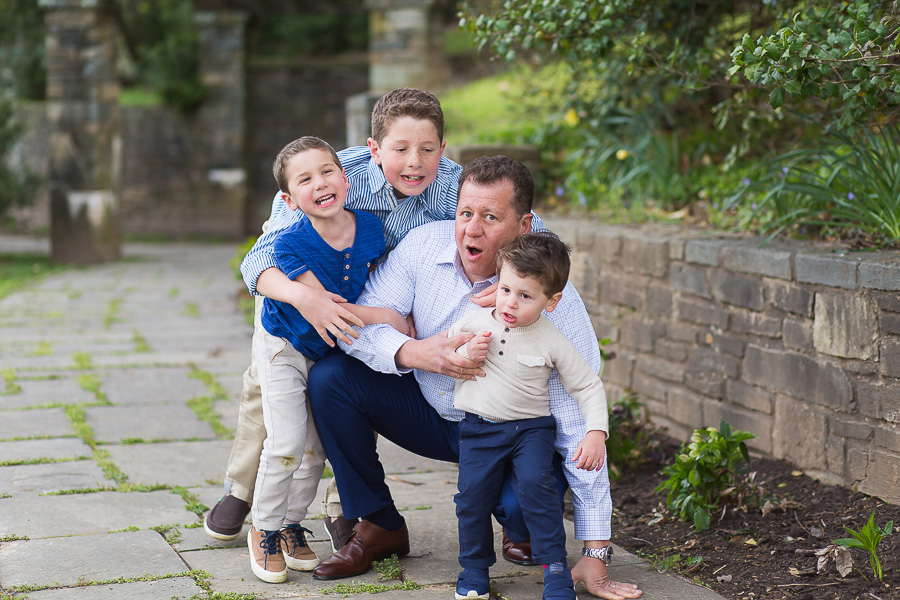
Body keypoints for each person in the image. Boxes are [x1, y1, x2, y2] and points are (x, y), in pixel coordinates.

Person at [307, 156, 642, 600]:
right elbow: (358, 326)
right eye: (466, 213)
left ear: (524, 225)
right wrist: (415, 352)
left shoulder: (553, 304)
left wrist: (597, 551)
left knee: (519, 507)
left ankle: (520, 525)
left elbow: (577, 411)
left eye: (490, 217)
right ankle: (379, 523)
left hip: (515, 432)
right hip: (432, 412)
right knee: (332, 379)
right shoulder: (422, 247)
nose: (472, 230)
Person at [204, 88, 464, 548]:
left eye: (427, 150)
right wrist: (310, 300)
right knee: (268, 387)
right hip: (295, 295)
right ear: (373, 149)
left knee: (351, 385)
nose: (414, 162)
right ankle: (243, 489)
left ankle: (341, 503)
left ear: (443, 150)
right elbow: (260, 261)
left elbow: (521, 223)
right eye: (400, 149)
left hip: (368, 310)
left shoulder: (452, 186)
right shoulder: (333, 178)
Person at [246, 136, 410, 584]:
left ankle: (291, 524)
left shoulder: (372, 229)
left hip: (325, 353)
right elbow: (331, 308)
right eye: (305, 179)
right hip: (285, 348)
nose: (320, 183)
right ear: (289, 199)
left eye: (327, 171)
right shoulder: (289, 244)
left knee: (316, 452)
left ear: (345, 177)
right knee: (286, 444)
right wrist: (390, 317)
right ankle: (264, 527)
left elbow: (376, 279)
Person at [450, 233, 609, 600]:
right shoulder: (474, 321)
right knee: (471, 498)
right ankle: (473, 569)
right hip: (479, 428)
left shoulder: (551, 338)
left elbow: (587, 385)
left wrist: (596, 433)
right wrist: (465, 349)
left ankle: (554, 568)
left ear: (551, 301)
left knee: (538, 490)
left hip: (530, 431)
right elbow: (448, 347)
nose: (510, 303)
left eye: (525, 296)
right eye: (506, 290)